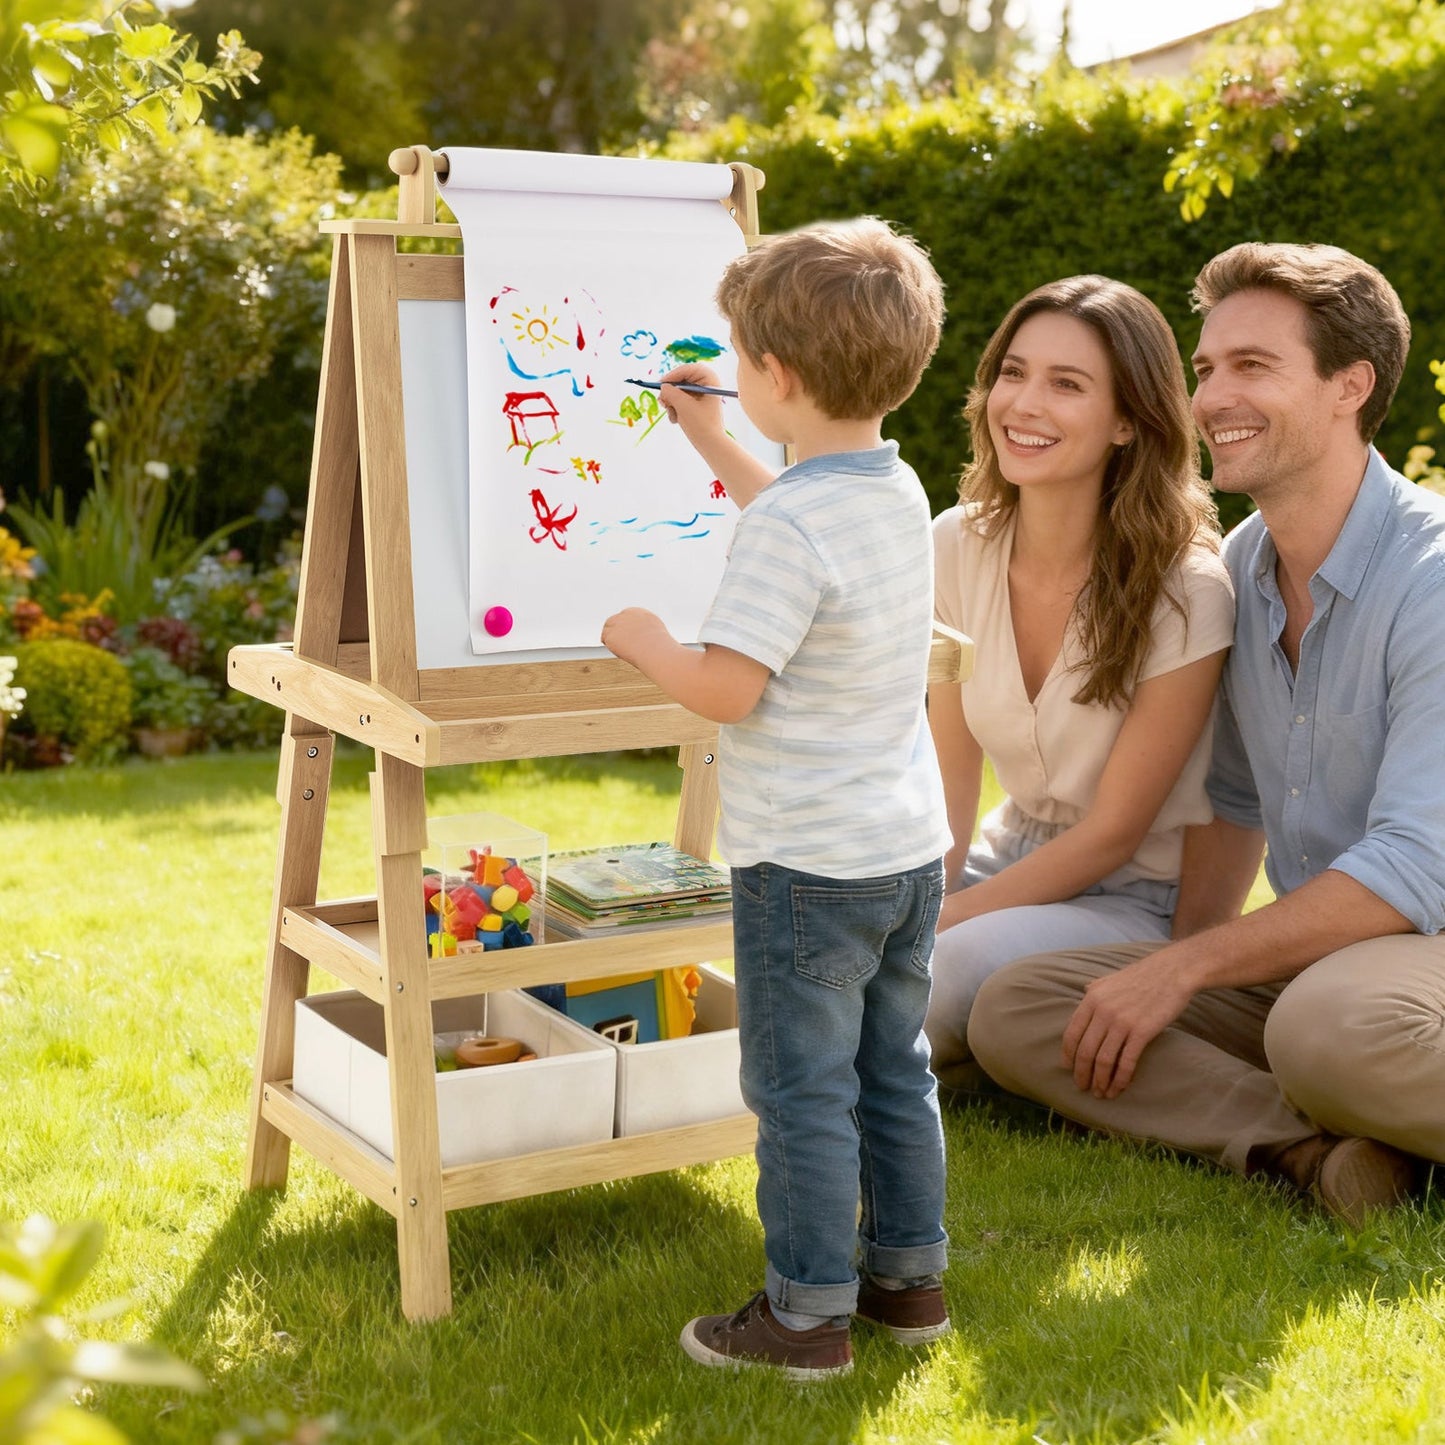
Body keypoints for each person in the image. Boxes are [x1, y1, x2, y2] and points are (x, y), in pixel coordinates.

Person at [968, 241, 1445, 1227]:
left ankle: (1347, 1091)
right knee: (1018, 1005)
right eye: (1205, 367)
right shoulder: (1240, 565)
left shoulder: (1429, 579)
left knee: (1323, 1028)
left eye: (1251, 366)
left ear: (1349, 386)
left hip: (1415, 947)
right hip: (1324, 963)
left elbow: (1413, 866)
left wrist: (1181, 967)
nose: (1210, 397)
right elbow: (1229, 801)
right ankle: (1317, 1153)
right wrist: (1169, 973)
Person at [601, 217, 951, 1380]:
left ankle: (803, 1319)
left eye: (740, 364)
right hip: (900, 853)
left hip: (804, 867)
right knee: (890, 1070)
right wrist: (712, 437)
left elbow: (726, 688)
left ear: (778, 376)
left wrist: (644, 639)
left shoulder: (790, 526)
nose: (734, 382)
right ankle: (907, 1281)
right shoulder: (887, 486)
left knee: (800, 1090)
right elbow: (794, 519)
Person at [925, 276, 1234, 1095]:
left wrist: (942, 924)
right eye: (1013, 372)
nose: (1023, 404)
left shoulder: (1186, 589)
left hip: (1131, 897)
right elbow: (949, 773)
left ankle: (971, 1043)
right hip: (1005, 860)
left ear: (1127, 421)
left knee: (928, 972)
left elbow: (1113, 833)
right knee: (830, 943)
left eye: (1066, 384)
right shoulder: (954, 546)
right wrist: (923, 899)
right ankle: (975, 1053)